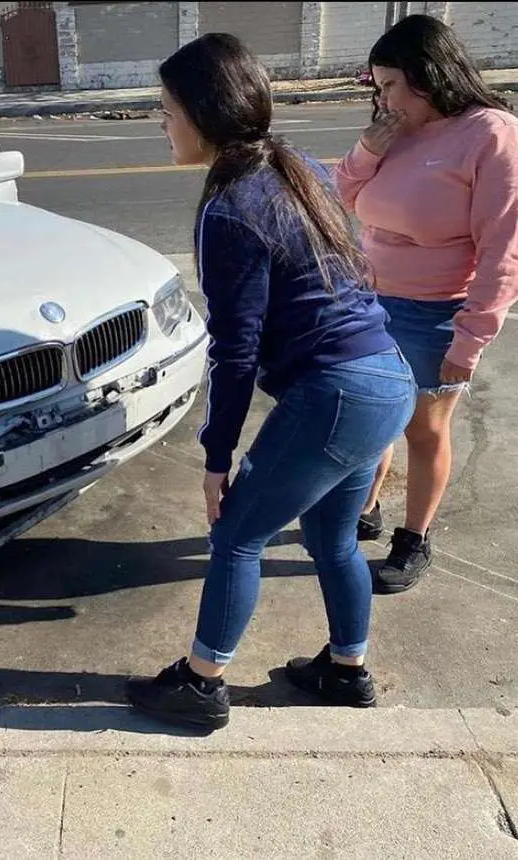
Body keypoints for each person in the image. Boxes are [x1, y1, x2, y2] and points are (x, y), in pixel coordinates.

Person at [125, 33, 417, 731]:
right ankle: (347, 671)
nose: (161, 123)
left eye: (166, 109)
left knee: (235, 536)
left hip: (339, 395)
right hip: (386, 379)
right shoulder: (299, 167)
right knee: (333, 540)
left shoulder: (228, 209)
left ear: (202, 110)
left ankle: (201, 684)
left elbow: (234, 351)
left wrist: (216, 459)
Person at [337, 15, 518, 594]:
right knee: (373, 418)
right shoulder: (396, 130)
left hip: (435, 312)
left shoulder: (489, 133)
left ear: (428, 75)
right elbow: (341, 194)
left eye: (390, 85)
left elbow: (503, 248)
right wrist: (367, 150)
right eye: (377, 86)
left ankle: (414, 539)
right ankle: (365, 509)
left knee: (423, 429)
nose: (382, 99)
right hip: (371, 302)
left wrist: (471, 339)